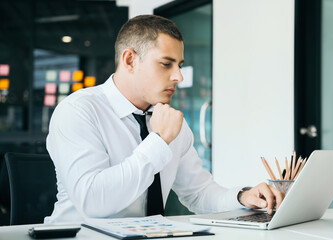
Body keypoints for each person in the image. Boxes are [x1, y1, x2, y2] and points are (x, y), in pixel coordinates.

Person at [45, 14, 284, 223]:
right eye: (166, 64)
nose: (178, 76)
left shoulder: (168, 120)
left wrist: (243, 196)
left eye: (179, 65)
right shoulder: (78, 110)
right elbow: (93, 202)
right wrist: (158, 141)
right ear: (130, 60)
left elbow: (198, 193)